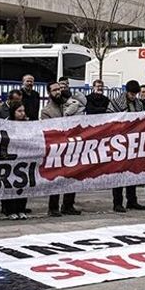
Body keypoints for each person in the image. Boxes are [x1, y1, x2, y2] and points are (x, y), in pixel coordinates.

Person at [40, 81, 84, 217]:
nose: (58, 92)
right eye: (54, 90)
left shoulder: (69, 104)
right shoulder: (46, 111)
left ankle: (68, 204)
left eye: (59, 89)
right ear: (49, 93)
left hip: (71, 145)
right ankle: (53, 207)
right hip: (56, 147)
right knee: (56, 177)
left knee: (72, 175)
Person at [107, 80, 145, 213]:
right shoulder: (115, 103)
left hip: (133, 140)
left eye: (135, 94)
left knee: (132, 172)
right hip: (119, 141)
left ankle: (132, 200)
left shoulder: (139, 104)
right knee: (118, 173)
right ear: (126, 91)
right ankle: (117, 202)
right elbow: (109, 121)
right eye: (131, 94)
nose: (133, 96)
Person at [2, 102, 29, 220]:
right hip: (10, 158)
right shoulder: (5, 124)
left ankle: (21, 209)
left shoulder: (28, 124)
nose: (22, 114)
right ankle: (9, 210)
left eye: (23, 111)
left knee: (23, 184)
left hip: (24, 159)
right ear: (13, 112)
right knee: (9, 185)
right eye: (19, 111)